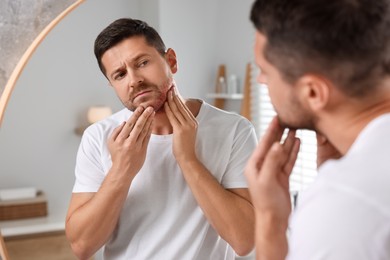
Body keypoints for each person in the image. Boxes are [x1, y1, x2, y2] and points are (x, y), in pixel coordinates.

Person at [65, 18, 257, 260]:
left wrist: (188, 159)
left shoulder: (234, 130)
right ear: (112, 84)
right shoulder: (98, 137)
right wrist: (122, 170)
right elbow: (82, 246)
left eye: (142, 62)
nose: (134, 80)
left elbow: (245, 240)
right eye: (120, 74)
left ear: (171, 61)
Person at [245, 0, 390, 259]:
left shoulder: (341, 204)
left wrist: (269, 220)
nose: (260, 80)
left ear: (312, 92)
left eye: (265, 70)